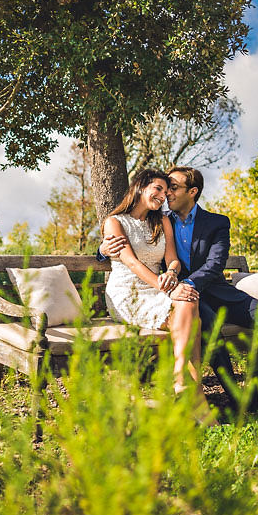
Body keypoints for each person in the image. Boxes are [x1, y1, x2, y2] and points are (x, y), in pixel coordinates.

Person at [100, 166, 258, 410]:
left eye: (173, 188)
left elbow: (214, 264)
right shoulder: (161, 218)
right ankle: (232, 396)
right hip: (175, 296)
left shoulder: (216, 223)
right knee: (206, 322)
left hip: (209, 290)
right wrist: (102, 251)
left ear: (193, 191)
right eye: (164, 189)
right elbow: (124, 248)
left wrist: (183, 282)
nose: (167, 195)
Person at [101, 169, 206, 403]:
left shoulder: (162, 221)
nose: (163, 195)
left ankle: (185, 387)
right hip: (127, 293)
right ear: (140, 186)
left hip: (156, 288)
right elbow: (132, 263)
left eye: (166, 191)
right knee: (191, 315)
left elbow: (172, 258)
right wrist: (167, 287)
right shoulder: (115, 222)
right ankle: (193, 394)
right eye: (158, 189)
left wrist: (171, 271)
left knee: (189, 305)